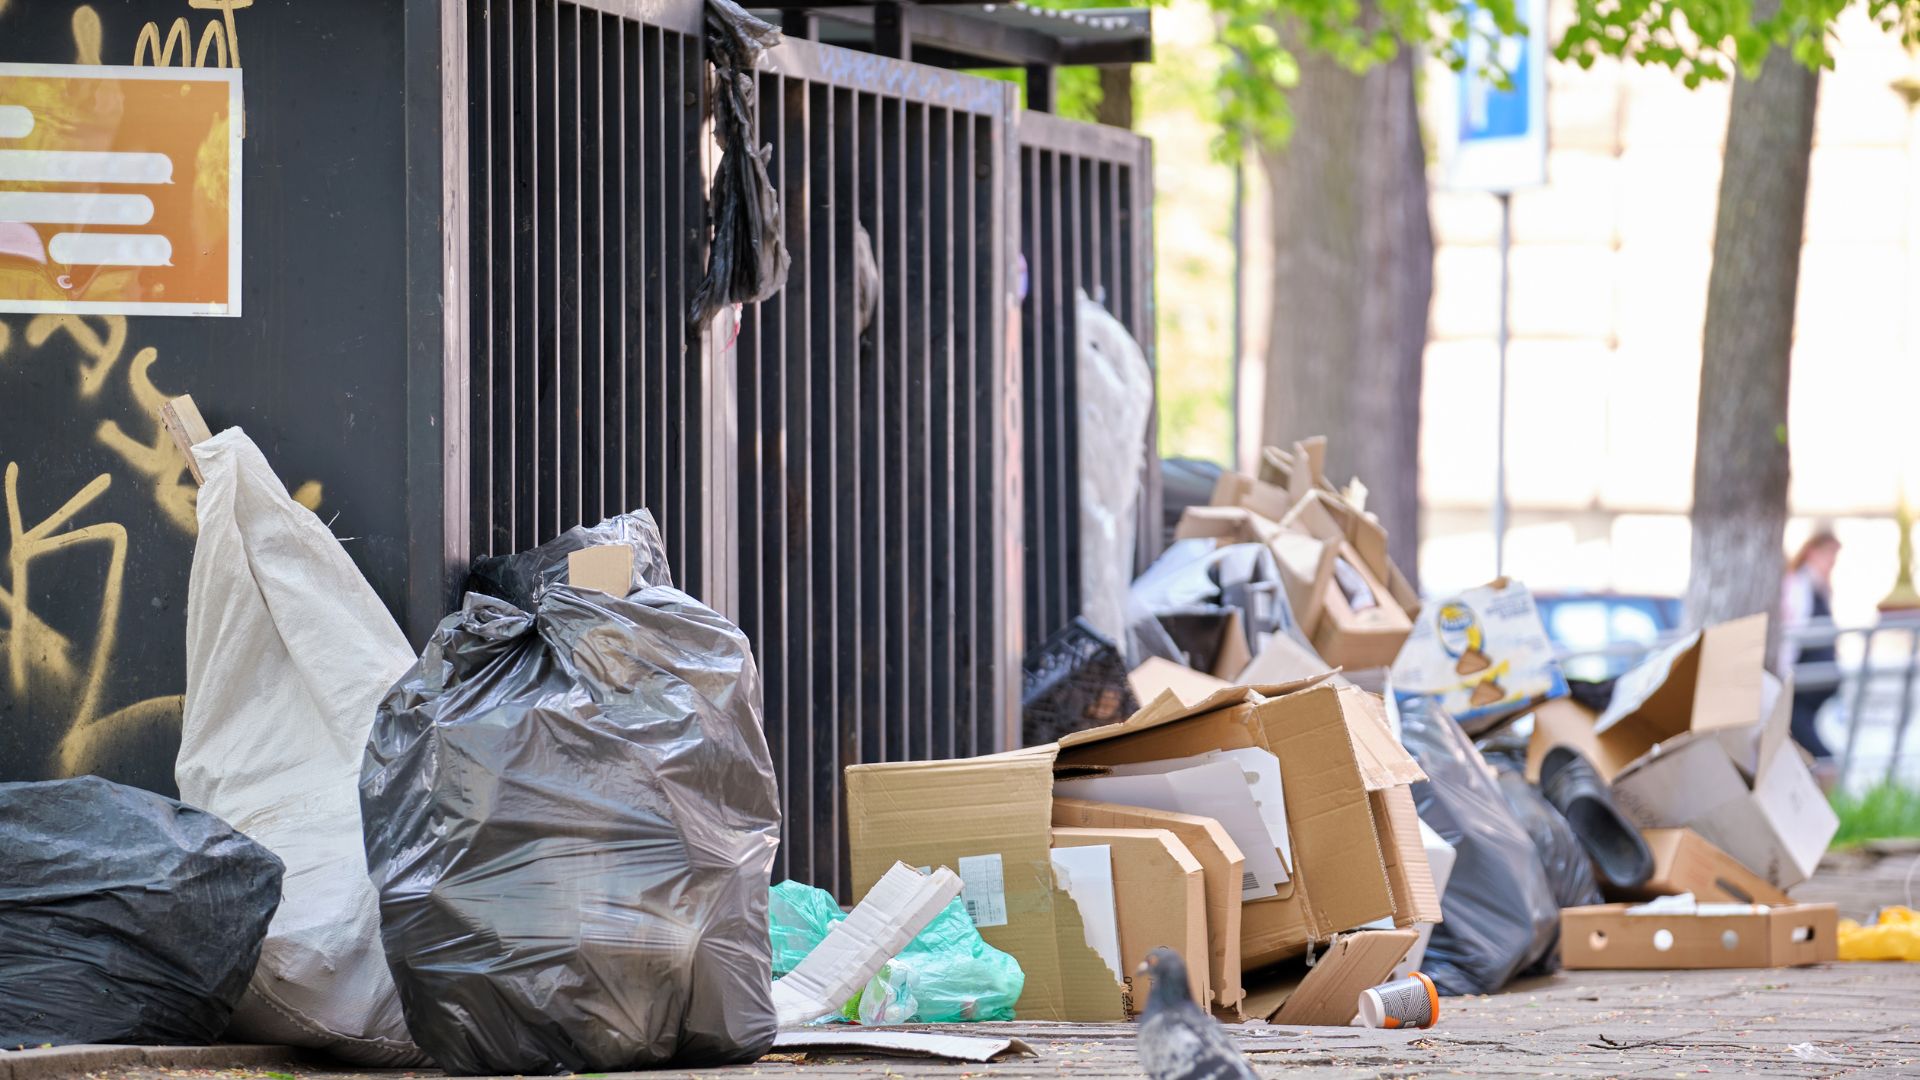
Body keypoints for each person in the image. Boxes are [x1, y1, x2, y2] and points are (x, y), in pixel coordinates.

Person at [1779, 528, 1842, 763]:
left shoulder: (1819, 587)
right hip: (1802, 680)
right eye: (1828, 556)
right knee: (1806, 740)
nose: (1831, 564)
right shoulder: (1800, 586)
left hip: (1815, 681)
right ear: (1812, 553)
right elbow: (1794, 631)